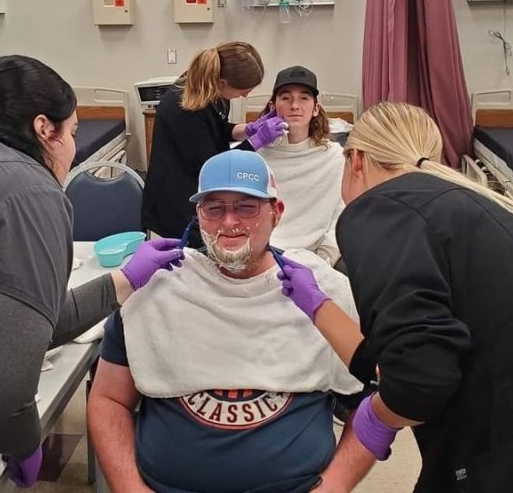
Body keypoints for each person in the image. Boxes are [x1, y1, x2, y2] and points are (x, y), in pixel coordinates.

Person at [0, 55, 183, 493]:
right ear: (45, 129)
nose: (71, 147)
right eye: (74, 133)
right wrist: (22, 440)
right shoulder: (29, 188)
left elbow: (27, 318)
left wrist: (126, 280)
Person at [278, 101, 513, 493]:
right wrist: (318, 305)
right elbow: (398, 358)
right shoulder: (472, 207)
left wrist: (375, 419)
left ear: (356, 160)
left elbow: (420, 382)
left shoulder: (381, 210)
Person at [88, 150, 365, 493]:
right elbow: (108, 399)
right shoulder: (154, 291)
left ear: (276, 213)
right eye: (214, 208)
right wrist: (131, 489)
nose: (229, 222)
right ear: (198, 215)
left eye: (246, 207)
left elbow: (371, 408)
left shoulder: (323, 294)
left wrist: (334, 486)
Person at [142, 41, 287, 248]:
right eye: (244, 90)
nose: (246, 95)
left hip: (194, 186)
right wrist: (256, 141)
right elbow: (214, 166)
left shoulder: (212, 90)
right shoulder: (182, 107)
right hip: (175, 203)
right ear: (222, 82)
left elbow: (215, 127)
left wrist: (248, 128)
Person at [255, 65, 345, 266]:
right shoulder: (256, 157)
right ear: (272, 107)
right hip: (262, 255)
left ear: (315, 109)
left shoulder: (334, 157)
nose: (295, 105)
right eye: (286, 98)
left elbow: (340, 217)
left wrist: (323, 261)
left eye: (304, 98)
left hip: (317, 257)